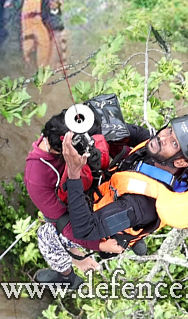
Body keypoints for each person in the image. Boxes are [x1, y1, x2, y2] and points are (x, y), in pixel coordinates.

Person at [42, 115, 188, 286]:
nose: (162, 137)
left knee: (47, 233)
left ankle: (66, 277)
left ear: (182, 162)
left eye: (174, 143)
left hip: (102, 225)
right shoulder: (156, 149)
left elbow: (84, 230)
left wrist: (74, 173)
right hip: (113, 193)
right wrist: (90, 125)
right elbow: (130, 132)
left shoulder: (139, 206)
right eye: (169, 130)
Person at [25, 109, 138, 287]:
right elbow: (66, 225)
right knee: (47, 235)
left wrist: (100, 157)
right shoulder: (37, 179)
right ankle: (67, 276)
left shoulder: (78, 120)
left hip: (104, 186)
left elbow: (119, 146)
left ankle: (134, 236)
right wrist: (99, 246)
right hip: (77, 209)